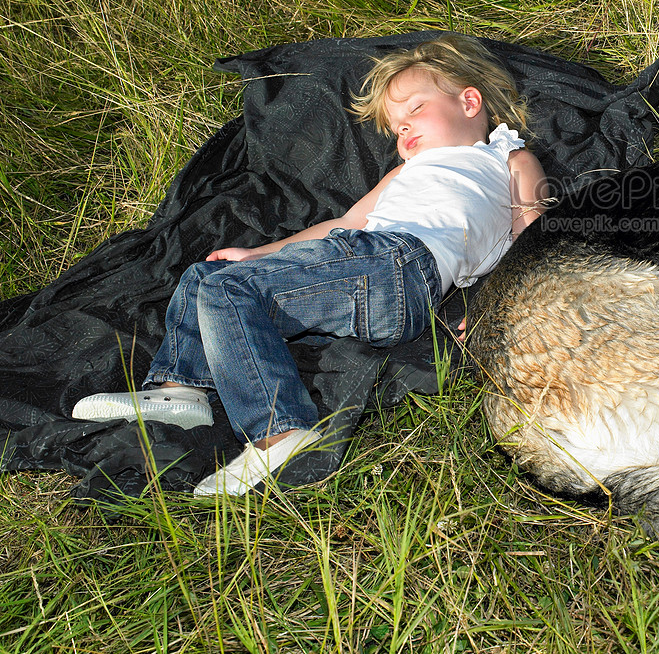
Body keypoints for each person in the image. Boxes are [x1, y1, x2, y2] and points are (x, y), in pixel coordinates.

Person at [72, 33, 548, 495]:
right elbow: (343, 222)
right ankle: (180, 389)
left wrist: (495, 312)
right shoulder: (407, 171)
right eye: (397, 128)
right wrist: (260, 253)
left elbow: (533, 236)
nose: (405, 133)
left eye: (415, 111)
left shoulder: (508, 158)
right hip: (364, 266)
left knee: (229, 292)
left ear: (469, 103)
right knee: (208, 278)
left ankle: (279, 431)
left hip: (399, 265)